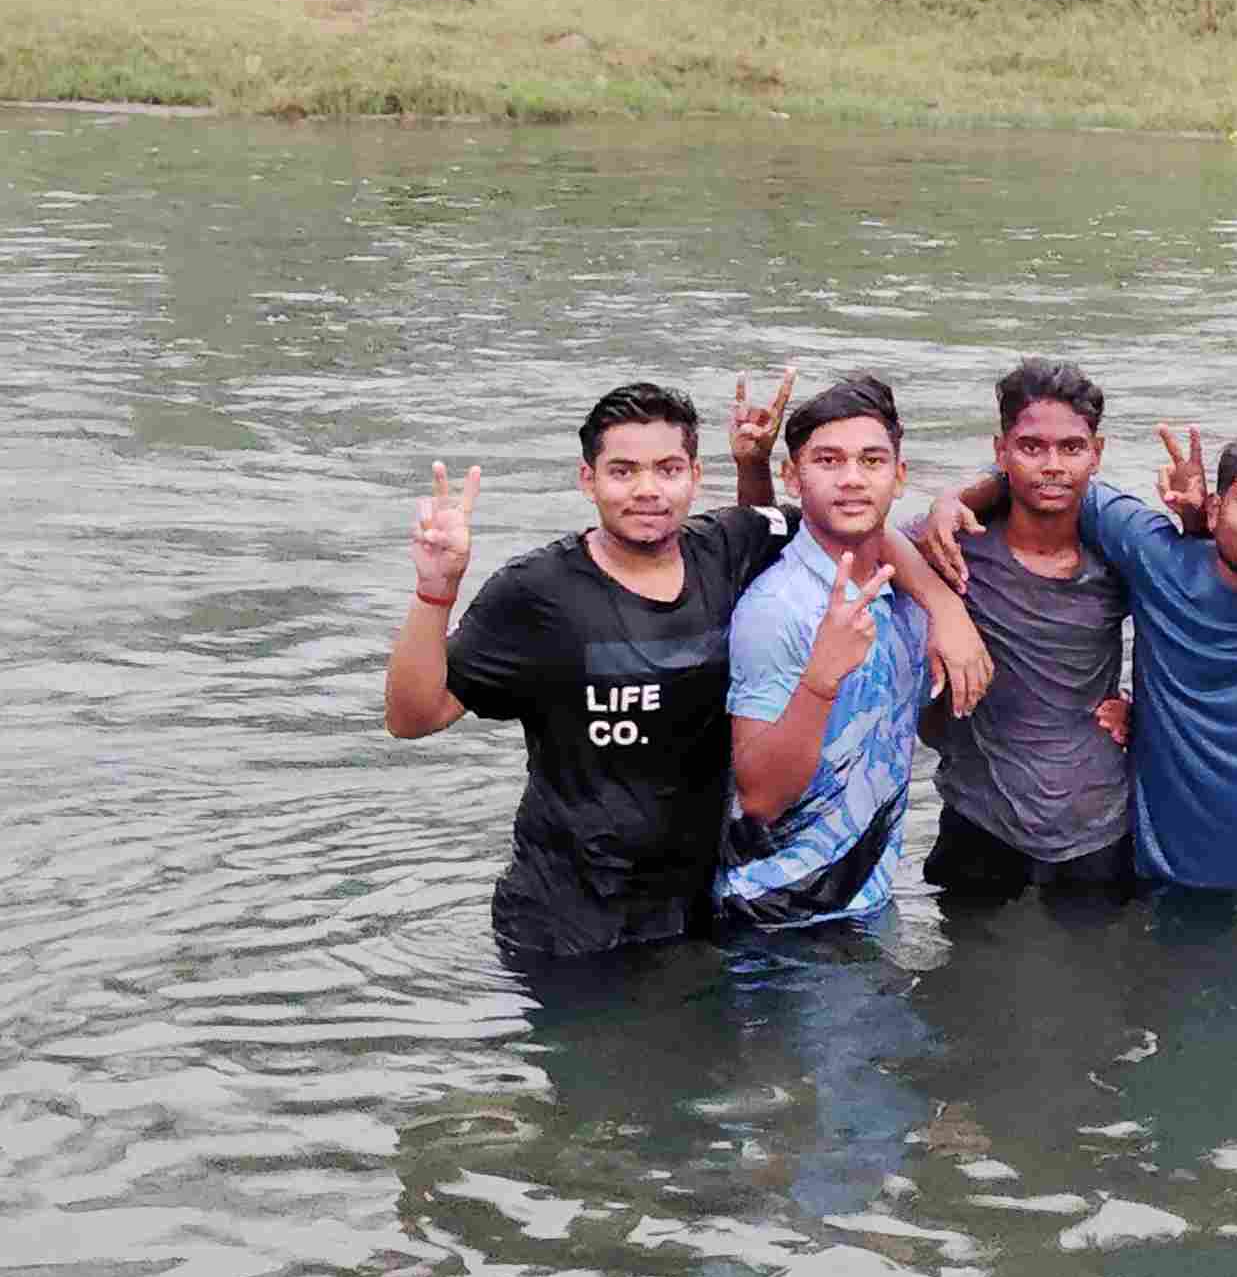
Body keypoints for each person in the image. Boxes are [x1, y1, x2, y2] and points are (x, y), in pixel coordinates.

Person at [386, 371, 979, 958]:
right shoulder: (538, 592)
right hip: (567, 924)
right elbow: (414, 718)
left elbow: (853, 523)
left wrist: (944, 607)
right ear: (588, 480)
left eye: (668, 470)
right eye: (623, 471)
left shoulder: (724, 546)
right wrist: (436, 591)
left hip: (696, 915)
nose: (648, 490)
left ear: (695, 475)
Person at [923, 428, 1237, 893]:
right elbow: (1055, 478)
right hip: (1161, 885)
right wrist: (954, 499)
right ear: (1214, 509)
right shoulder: (1156, 560)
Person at [720, 373, 994, 932]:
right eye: (828, 461)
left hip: (866, 900)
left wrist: (948, 612)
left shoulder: (907, 594)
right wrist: (821, 680)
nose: (851, 479)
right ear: (792, 476)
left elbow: (916, 730)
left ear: (899, 475)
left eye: (871, 461)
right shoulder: (778, 608)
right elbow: (760, 799)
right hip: (774, 919)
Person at [921, 358, 1136, 900]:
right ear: (1001, 451)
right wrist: (945, 610)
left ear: (1097, 453)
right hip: (980, 816)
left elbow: (1197, 615)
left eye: (1072, 448)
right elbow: (866, 541)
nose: (1052, 466)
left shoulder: (1120, 554)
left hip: (1097, 822)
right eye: (1031, 447)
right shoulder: (954, 547)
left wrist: (1151, 709)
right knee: (968, 951)